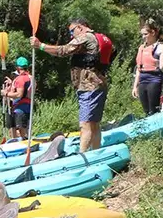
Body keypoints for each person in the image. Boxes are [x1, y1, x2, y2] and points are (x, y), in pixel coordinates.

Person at [32, 17, 111, 152]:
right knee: (94, 124)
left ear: (80, 27)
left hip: (89, 87)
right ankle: (96, 152)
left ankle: (83, 156)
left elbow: (63, 50)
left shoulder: (86, 37)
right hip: (97, 85)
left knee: (85, 124)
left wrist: (41, 46)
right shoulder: (98, 38)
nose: (71, 35)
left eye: (72, 31)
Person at [132, 21, 163, 117]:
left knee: (153, 109)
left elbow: (162, 68)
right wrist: (135, 86)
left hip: (154, 79)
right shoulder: (141, 48)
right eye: (142, 34)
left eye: (145, 34)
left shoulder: (161, 47)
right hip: (142, 80)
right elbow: (138, 68)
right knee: (146, 110)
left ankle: (158, 128)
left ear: (153, 33)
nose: (143, 37)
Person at [4, 58, 33, 140]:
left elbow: (19, 94)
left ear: (18, 68)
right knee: (22, 130)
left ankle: (24, 147)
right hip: (26, 106)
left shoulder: (21, 79)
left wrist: (6, 93)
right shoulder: (31, 77)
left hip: (20, 108)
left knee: (20, 132)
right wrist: (12, 83)